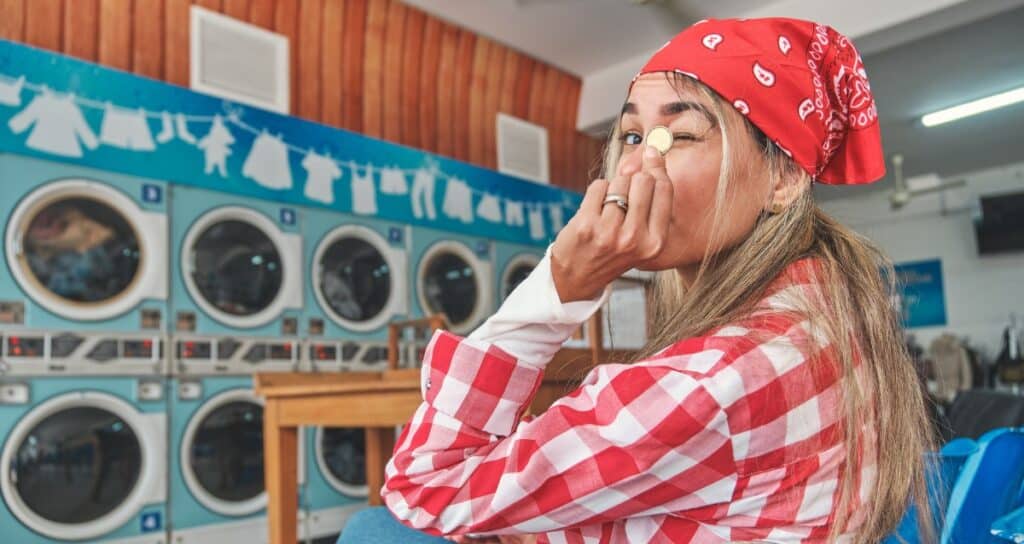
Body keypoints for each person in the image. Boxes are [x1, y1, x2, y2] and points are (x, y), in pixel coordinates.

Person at [338, 17, 934, 544]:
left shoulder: (712, 380)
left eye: (681, 135)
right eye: (631, 136)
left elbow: (424, 484)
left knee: (376, 530)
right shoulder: (829, 305)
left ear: (783, 179)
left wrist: (561, 284)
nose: (638, 165)